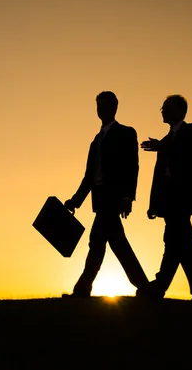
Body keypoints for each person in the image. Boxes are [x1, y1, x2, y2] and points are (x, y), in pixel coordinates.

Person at [62, 91, 149, 298]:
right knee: (113, 243)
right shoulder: (96, 141)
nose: (100, 110)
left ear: (114, 107)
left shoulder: (126, 133)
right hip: (100, 199)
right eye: (98, 106)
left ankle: (83, 289)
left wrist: (127, 198)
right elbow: (89, 176)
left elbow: (132, 167)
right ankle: (144, 287)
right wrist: (76, 201)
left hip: (114, 198)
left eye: (104, 105)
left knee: (99, 243)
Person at [138, 95, 192, 303]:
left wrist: (161, 147)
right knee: (180, 244)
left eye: (166, 107)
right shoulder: (166, 140)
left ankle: (164, 287)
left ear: (179, 110)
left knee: (177, 242)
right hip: (169, 200)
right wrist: (154, 205)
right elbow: (159, 177)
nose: (161, 110)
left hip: (182, 197)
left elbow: (187, 153)